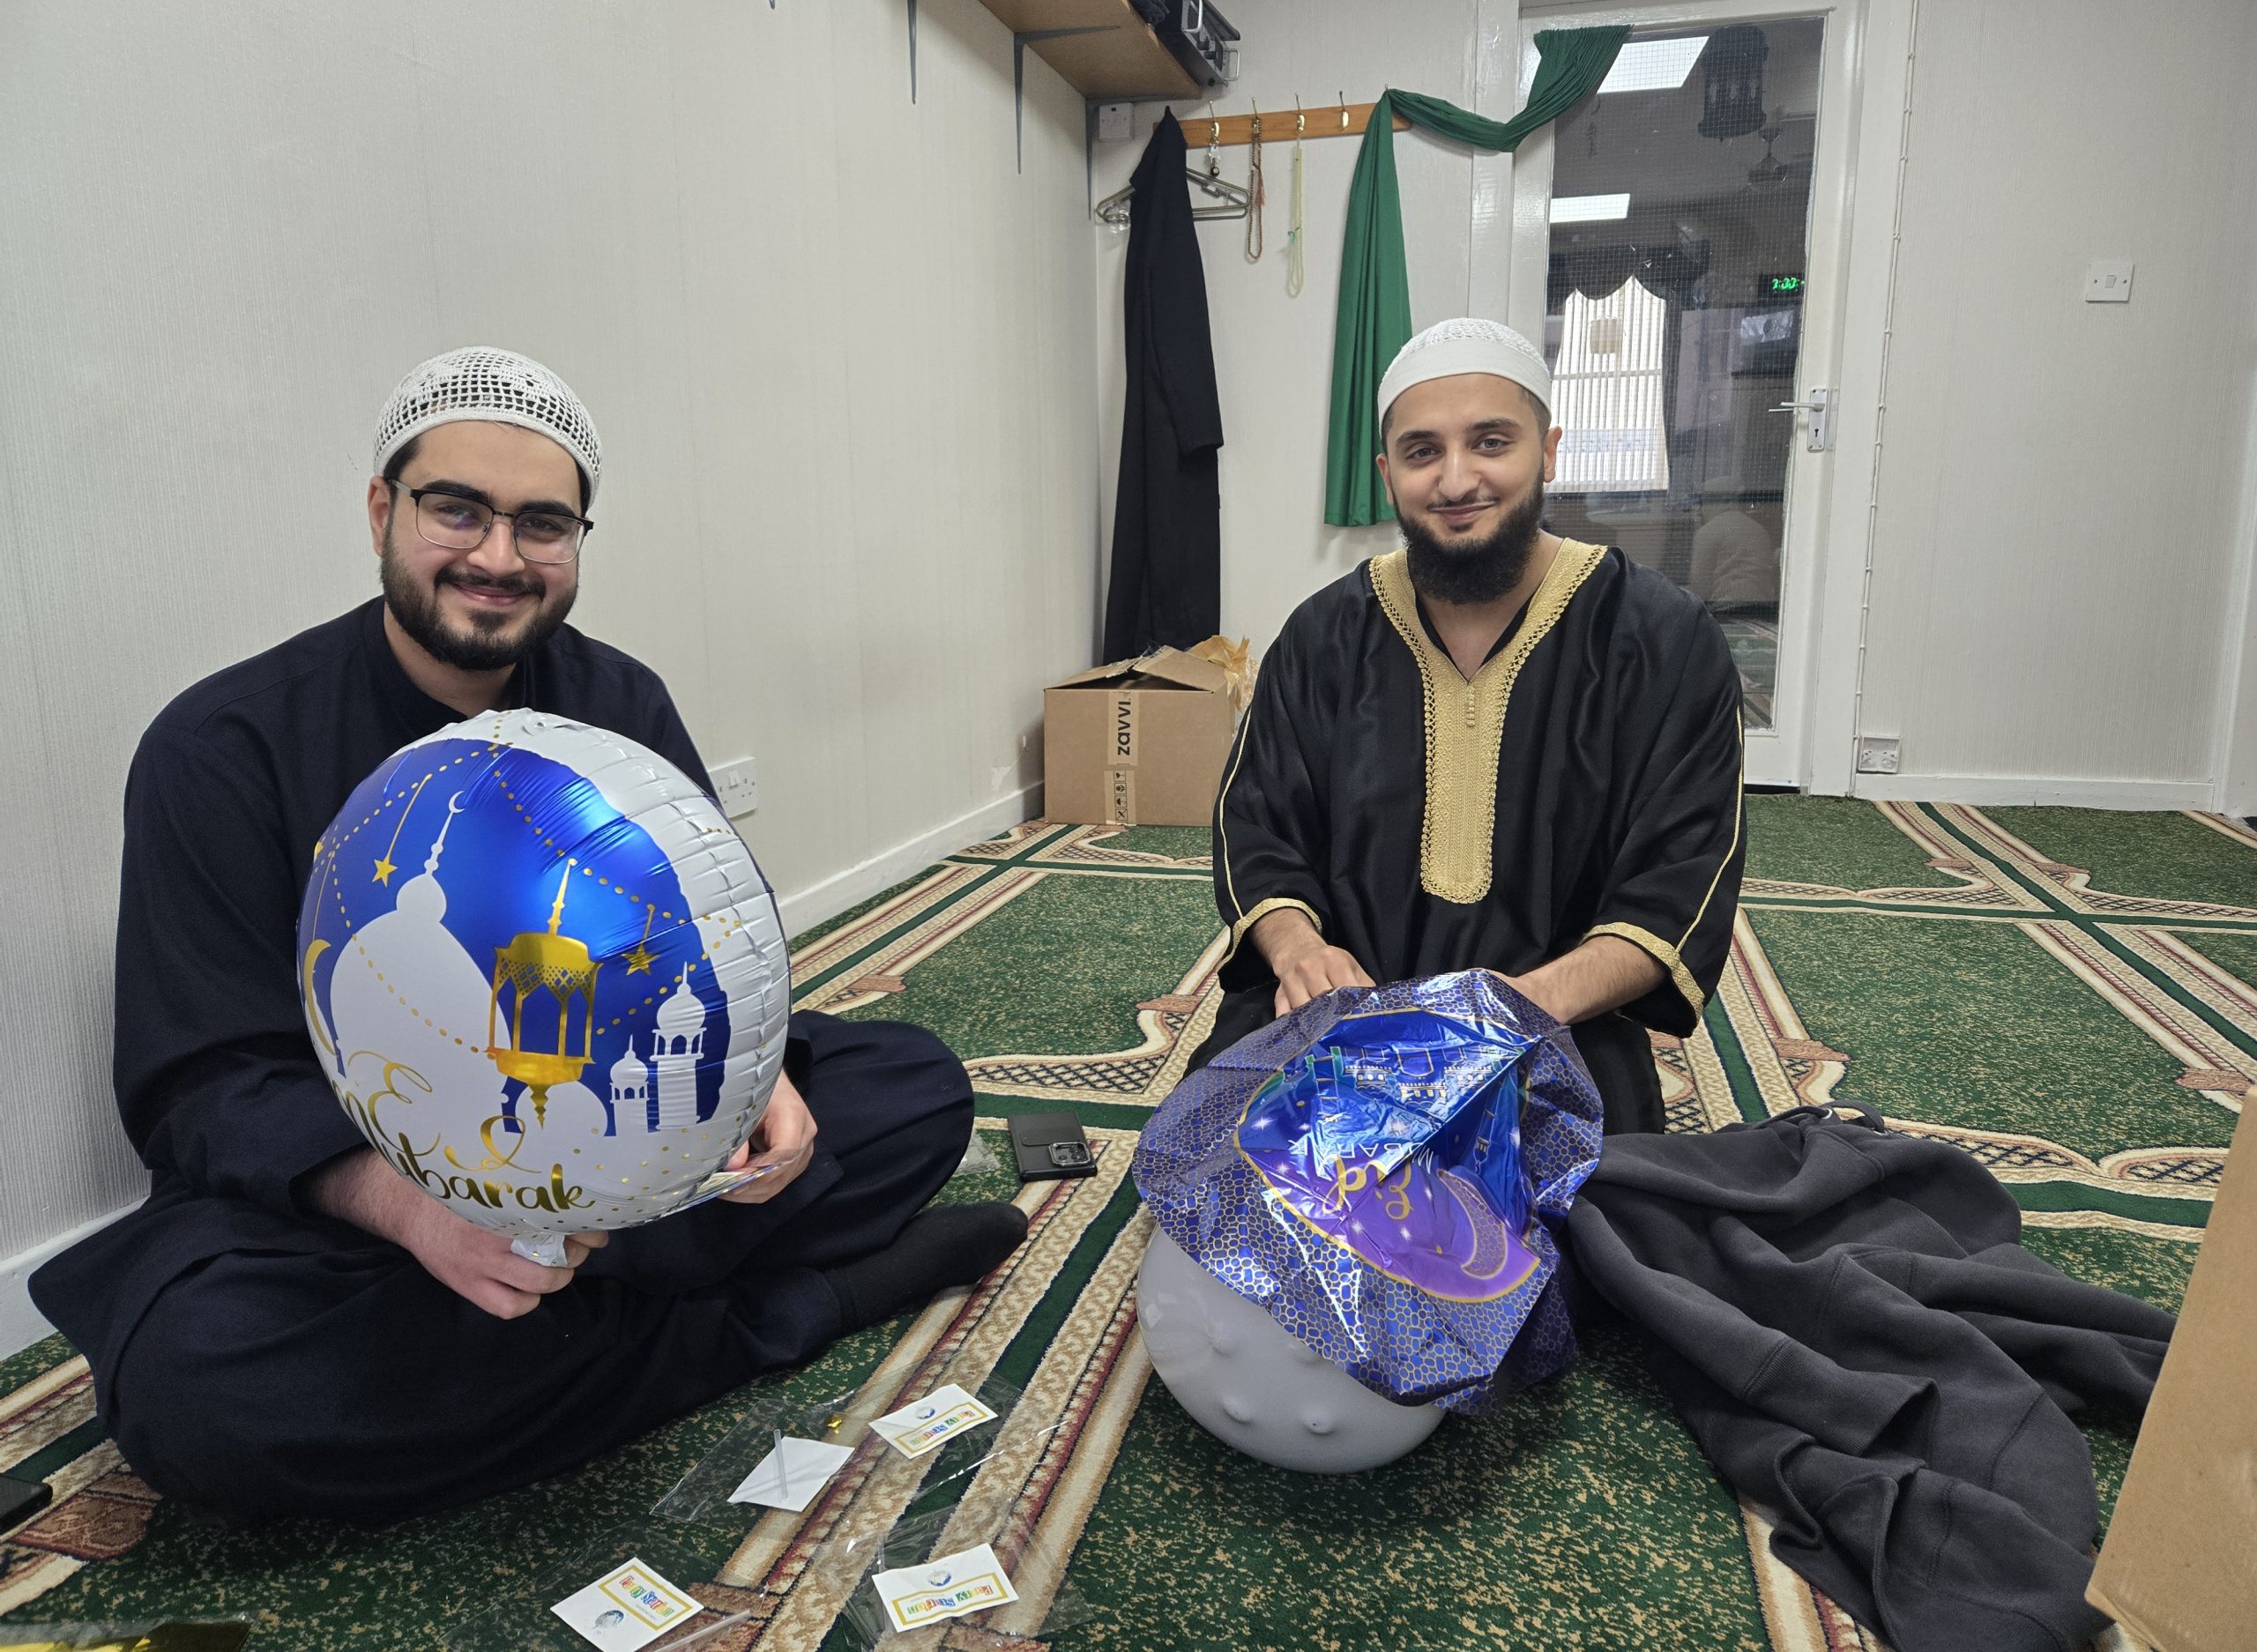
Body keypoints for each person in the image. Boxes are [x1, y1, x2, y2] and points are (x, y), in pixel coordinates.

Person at [33, 347, 1026, 1524]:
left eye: (542, 524)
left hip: (616, 1136)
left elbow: (720, 940)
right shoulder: (223, 747)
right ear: (382, 512)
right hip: (365, 1199)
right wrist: (422, 1213)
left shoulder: (620, 703)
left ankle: (555, 1333)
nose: (499, 558)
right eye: (457, 509)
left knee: (913, 1088)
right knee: (206, 1388)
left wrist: (754, 1085)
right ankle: (783, 1314)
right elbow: (203, 1087)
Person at [1196, 320, 1745, 1135]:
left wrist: (1518, 1007)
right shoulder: (1323, 636)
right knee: (1221, 1160)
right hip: (1339, 1018)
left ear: (1547, 452)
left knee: (1584, 1197)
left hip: (1553, 1021)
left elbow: (1680, 880)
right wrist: (1299, 952)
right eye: (1422, 452)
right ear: (1388, 474)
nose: (1456, 480)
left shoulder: (1660, 639)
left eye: (1491, 442)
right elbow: (1259, 828)